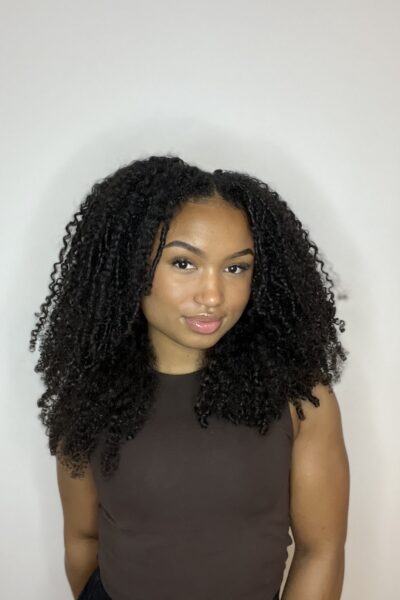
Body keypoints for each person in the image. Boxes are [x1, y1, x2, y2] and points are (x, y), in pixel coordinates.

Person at [29, 155, 350, 600]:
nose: (213, 295)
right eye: (183, 263)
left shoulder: (299, 399)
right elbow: (83, 539)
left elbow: (321, 550)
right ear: (130, 267)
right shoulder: (91, 397)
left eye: (236, 267)